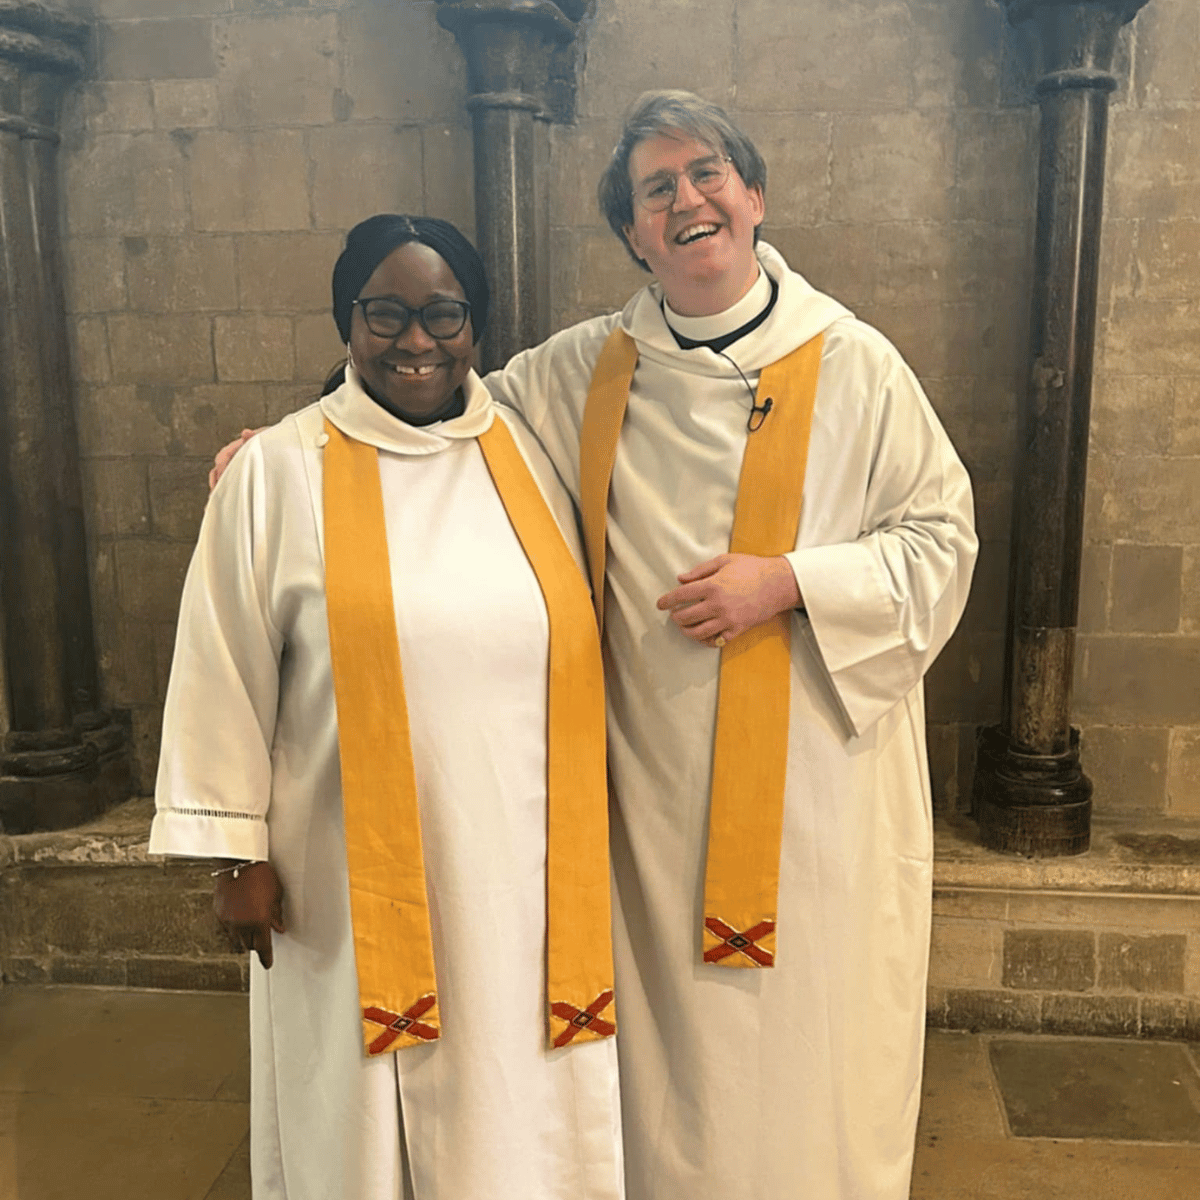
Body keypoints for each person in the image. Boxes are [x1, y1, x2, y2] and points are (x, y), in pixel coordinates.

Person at [212, 91, 977, 1200]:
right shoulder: (586, 368)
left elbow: (943, 540)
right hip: (645, 805)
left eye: (705, 174)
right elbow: (433, 401)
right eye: (655, 190)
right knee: (666, 1094)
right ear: (633, 232)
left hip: (817, 809)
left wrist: (794, 581)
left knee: (804, 1064)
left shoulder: (855, 364)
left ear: (753, 197)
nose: (686, 200)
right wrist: (291, 435)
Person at [153, 215, 624, 1200]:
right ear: (348, 322)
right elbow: (221, 661)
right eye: (387, 313)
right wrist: (238, 855)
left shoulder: (526, 454)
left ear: (477, 324)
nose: (418, 341)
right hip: (351, 873)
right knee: (366, 1119)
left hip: (526, 868)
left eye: (444, 313)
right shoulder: (279, 470)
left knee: (517, 1095)